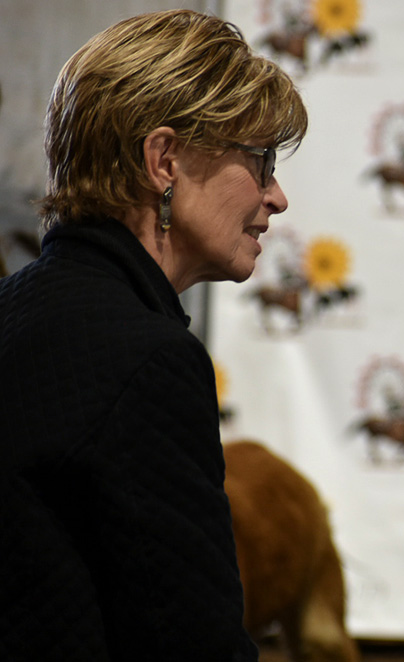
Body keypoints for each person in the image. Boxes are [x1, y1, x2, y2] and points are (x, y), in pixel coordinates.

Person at [0, 10, 306, 660]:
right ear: (164, 160)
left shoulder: (19, 311)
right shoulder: (146, 360)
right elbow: (192, 643)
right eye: (260, 160)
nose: (276, 197)